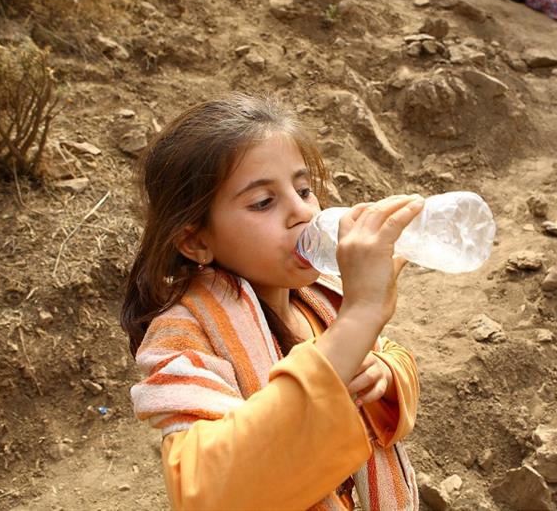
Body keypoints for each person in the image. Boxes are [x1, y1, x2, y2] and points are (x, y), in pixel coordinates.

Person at [122, 94, 423, 510]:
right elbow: (208, 491)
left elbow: (391, 354)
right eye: (264, 202)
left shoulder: (321, 297)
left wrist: (385, 375)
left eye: (304, 189)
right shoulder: (183, 337)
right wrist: (360, 316)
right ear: (196, 240)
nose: (301, 212)